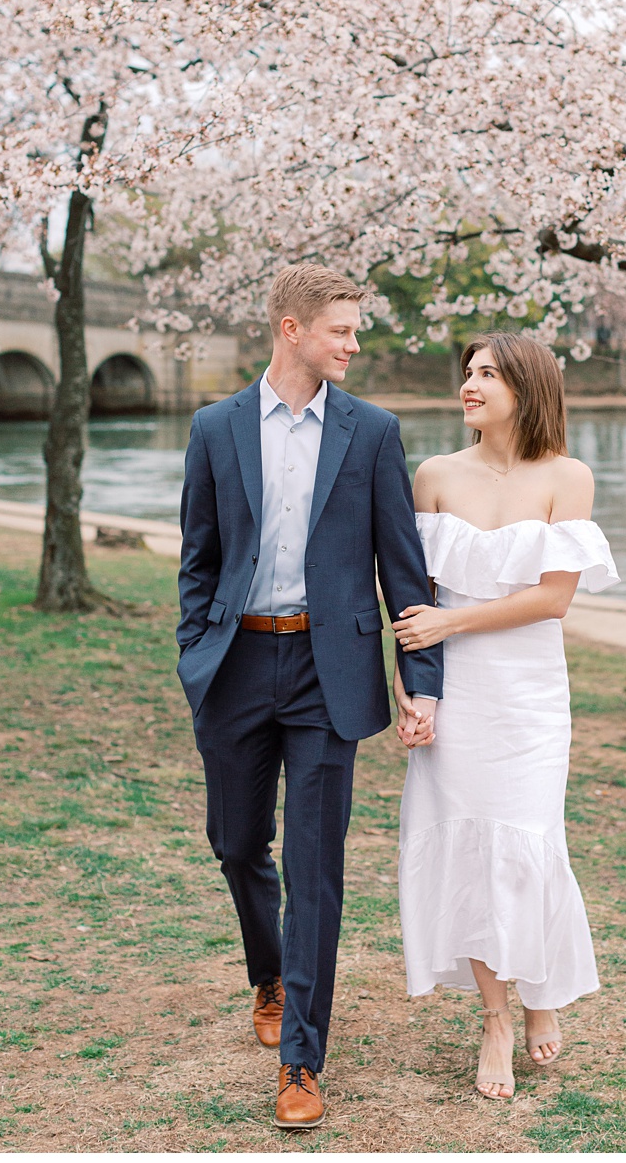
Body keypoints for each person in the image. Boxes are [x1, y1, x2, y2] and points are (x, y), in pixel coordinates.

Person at [176, 263, 442, 1131]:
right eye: (342, 329)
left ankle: (302, 1056)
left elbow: (403, 568)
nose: (354, 344)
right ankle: (268, 974)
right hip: (236, 665)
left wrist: (421, 681)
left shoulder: (373, 432)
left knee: (315, 865)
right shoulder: (215, 427)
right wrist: (193, 652)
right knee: (236, 843)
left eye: (355, 329)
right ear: (291, 329)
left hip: (332, 673)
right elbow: (198, 557)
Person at [388, 331, 618, 1100]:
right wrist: (410, 689)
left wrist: (450, 623)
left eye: (488, 372)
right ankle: (496, 1016)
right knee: (466, 849)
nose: (470, 383)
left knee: (527, 843)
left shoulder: (567, 477)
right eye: (468, 371)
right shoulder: (434, 474)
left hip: (527, 695)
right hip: (453, 690)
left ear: (528, 385)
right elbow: (410, 596)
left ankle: (540, 990)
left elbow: (552, 598)